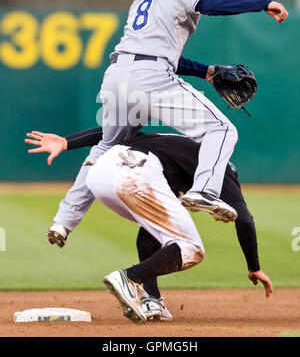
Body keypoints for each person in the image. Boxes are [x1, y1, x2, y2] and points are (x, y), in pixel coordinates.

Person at [83, 0, 288, 220]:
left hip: (122, 72)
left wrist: (206, 72)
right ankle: (202, 191)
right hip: (151, 76)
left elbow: (158, 52)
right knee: (222, 130)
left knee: (106, 145)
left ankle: (65, 219)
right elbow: (213, 3)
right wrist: (262, 3)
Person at [25, 127, 273, 324]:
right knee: (191, 249)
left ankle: (152, 299)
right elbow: (244, 221)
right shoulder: (221, 169)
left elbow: (107, 133)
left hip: (99, 175)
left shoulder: (173, 143)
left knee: (155, 227)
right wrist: (254, 267)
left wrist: (67, 142)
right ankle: (128, 278)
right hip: (136, 173)